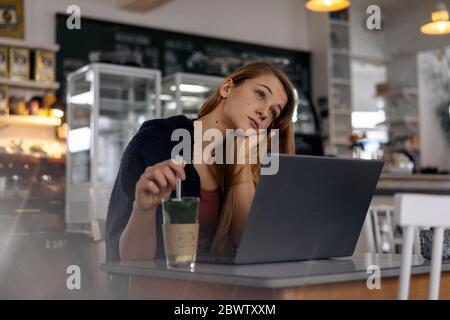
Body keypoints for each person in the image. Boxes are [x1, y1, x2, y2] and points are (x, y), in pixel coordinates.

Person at [105, 61, 297, 262]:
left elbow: (251, 247)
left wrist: (241, 161)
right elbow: (129, 259)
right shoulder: (157, 140)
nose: (265, 112)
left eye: (274, 112)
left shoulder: (248, 162)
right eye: (260, 94)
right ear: (227, 88)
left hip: (220, 287)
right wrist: (143, 208)